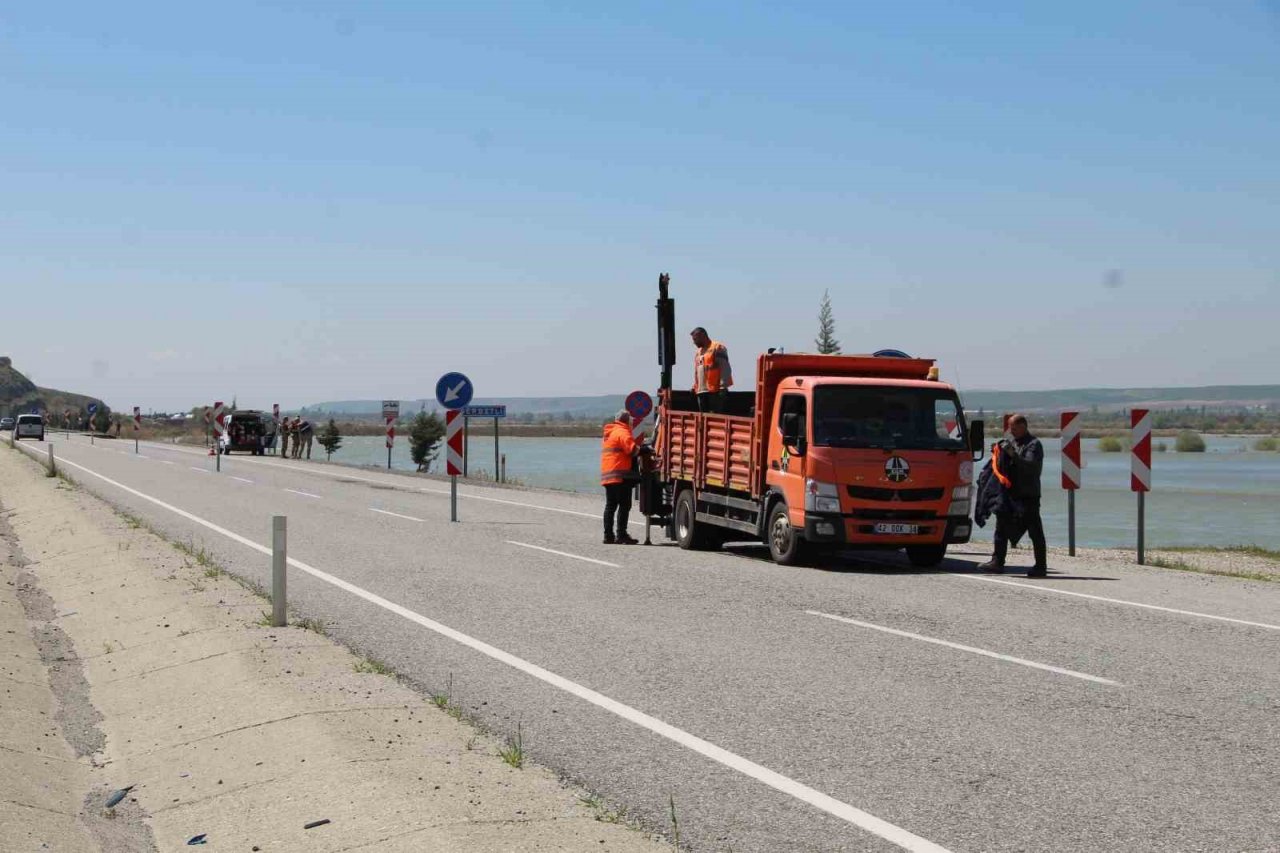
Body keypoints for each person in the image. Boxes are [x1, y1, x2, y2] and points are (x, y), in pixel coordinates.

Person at [979, 414, 1048, 577]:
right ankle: (997, 562)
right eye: (1010, 428)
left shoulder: (1034, 445)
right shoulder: (1013, 443)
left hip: (1028, 496)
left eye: (1015, 428)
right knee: (1001, 527)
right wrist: (999, 454)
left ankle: (1040, 566)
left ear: (1023, 426)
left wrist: (1013, 455)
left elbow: (1030, 467)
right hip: (1010, 495)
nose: (1012, 431)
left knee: (1035, 531)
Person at [600, 410, 644, 545]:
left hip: (608, 475)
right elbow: (632, 449)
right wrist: (645, 449)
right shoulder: (623, 432)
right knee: (625, 505)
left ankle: (608, 536)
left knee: (610, 505)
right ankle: (621, 534)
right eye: (631, 422)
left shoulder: (610, 432)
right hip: (620, 475)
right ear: (627, 421)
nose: (631, 424)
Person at [690, 327, 733, 413]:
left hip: (715, 391)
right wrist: (695, 386)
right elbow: (698, 372)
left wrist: (723, 387)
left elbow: (724, 368)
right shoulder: (699, 352)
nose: (694, 342)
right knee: (704, 419)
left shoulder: (717, 348)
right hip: (701, 391)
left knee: (714, 417)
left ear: (703, 336)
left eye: (695, 339)